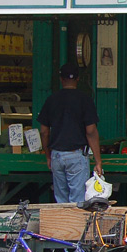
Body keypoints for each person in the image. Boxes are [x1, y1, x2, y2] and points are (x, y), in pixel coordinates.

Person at [37, 64, 103, 204]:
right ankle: (75, 226)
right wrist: (98, 161)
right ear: (78, 79)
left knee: (61, 200)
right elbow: (90, 131)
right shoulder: (84, 99)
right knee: (77, 201)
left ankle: (63, 224)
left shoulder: (51, 99)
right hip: (76, 154)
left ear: (61, 79)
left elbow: (44, 132)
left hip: (57, 155)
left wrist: (48, 155)